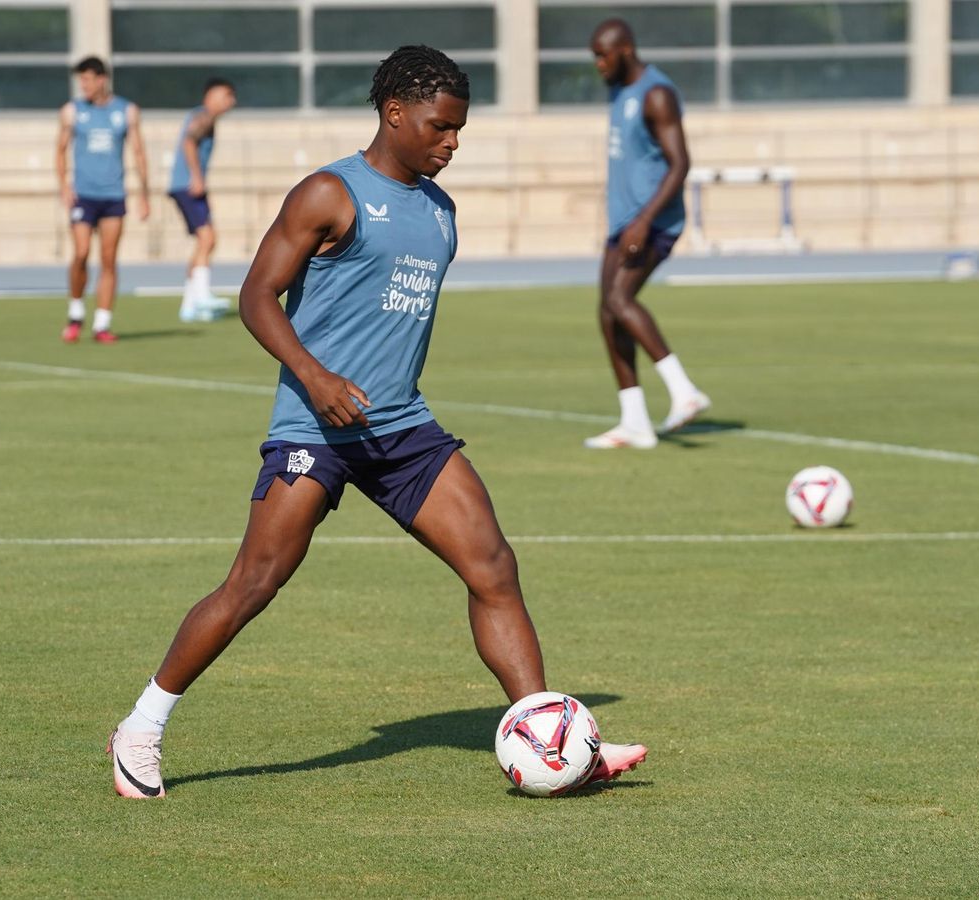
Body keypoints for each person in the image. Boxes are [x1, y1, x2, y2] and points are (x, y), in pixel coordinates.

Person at [107, 46, 646, 799]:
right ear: (395, 113)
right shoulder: (329, 192)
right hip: (314, 426)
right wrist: (317, 376)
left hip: (402, 430)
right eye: (439, 127)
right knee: (254, 582)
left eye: (459, 130)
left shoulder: (440, 213)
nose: (451, 142)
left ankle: (553, 741)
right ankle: (141, 728)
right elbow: (258, 297)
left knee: (492, 566)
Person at [584, 19, 711, 450]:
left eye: (603, 56)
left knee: (620, 300)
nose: (598, 64)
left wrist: (644, 220)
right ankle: (635, 421)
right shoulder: (618, 89)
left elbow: (680, 164)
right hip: (624, 221)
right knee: (607, 312)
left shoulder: (657, 94)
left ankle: (684, 391)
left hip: (653, 221)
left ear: (624, 50)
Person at [55, 56, 148, 344]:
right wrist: (64, 186)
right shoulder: (72, 111)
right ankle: (75, 312)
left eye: (87, 79)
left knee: (108, 259)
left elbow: (138, 152)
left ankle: (102, 324)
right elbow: (60, 150)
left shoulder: (126, 111)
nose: (83, 85)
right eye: (80, 80)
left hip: (113, 196)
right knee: (81, 253)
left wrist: (144, 193)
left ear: (101, 79)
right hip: (84, 195)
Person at [168, 77, 238, 323]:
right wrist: (197, 177)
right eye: (226, 95)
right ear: (210, 96)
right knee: (208, 238)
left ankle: (189, 305)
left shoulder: (204, 117)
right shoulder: (205, 117)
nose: (231, 101)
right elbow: (189, 141)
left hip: (182, 186)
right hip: (188, 185)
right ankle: (201, 295)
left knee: (202, 242)